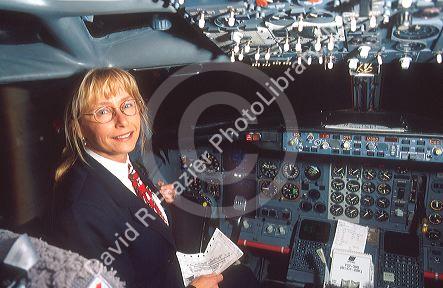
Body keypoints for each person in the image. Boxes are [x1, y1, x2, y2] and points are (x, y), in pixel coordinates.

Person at [48, 68, 256, 288]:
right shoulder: (81, 212)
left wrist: (156, 199)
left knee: (243, 275)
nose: (122, 121)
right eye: (103, 112)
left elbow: (126, 206)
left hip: (169, 276)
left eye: (127, 105)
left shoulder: (123, 165)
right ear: (78, 127)